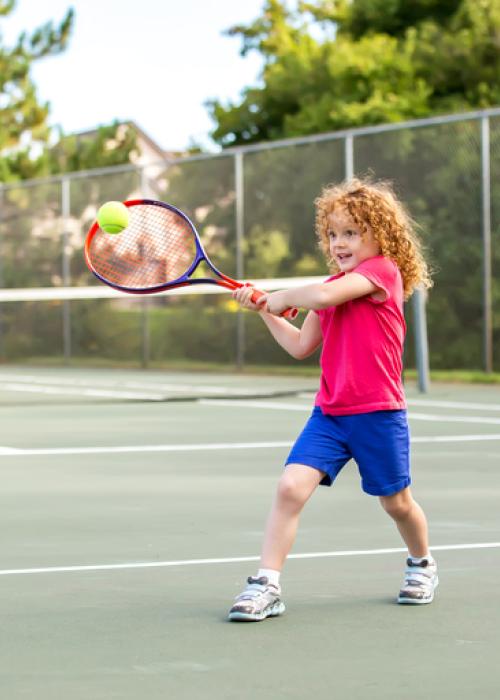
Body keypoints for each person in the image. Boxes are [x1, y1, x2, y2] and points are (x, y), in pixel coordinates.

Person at [228, 177, 437, 622]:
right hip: (330, 415)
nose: (339, 243)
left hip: (378, 414)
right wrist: (267, 310)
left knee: (397, 504)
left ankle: (421, 564)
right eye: (332, 233)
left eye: (351, 233)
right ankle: (266, 583)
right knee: (289, 489)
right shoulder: (332, 287)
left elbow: (321, 294)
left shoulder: (382, 272)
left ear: (381, 236)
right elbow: (301, 346)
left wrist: (278, 295)